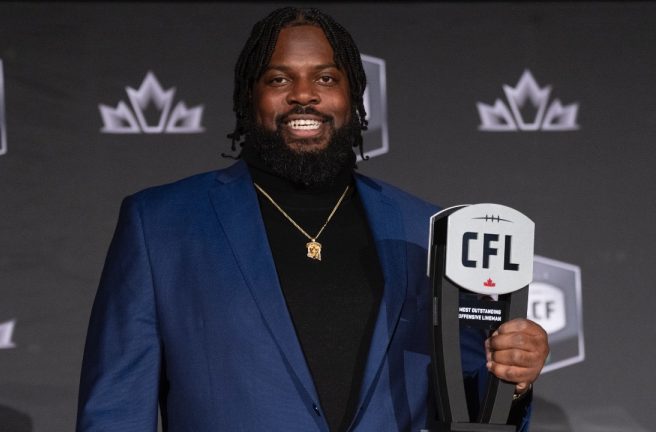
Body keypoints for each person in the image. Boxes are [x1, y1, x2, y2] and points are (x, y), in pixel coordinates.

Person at [77, 7, 549, 432]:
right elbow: (117, 410)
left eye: (325, 78)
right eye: (279, 79)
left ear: (354, 95)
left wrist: (514, 379)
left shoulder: (424, 227)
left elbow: (464, 402)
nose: (304, 95)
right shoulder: (161, 223)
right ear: (249, 96)